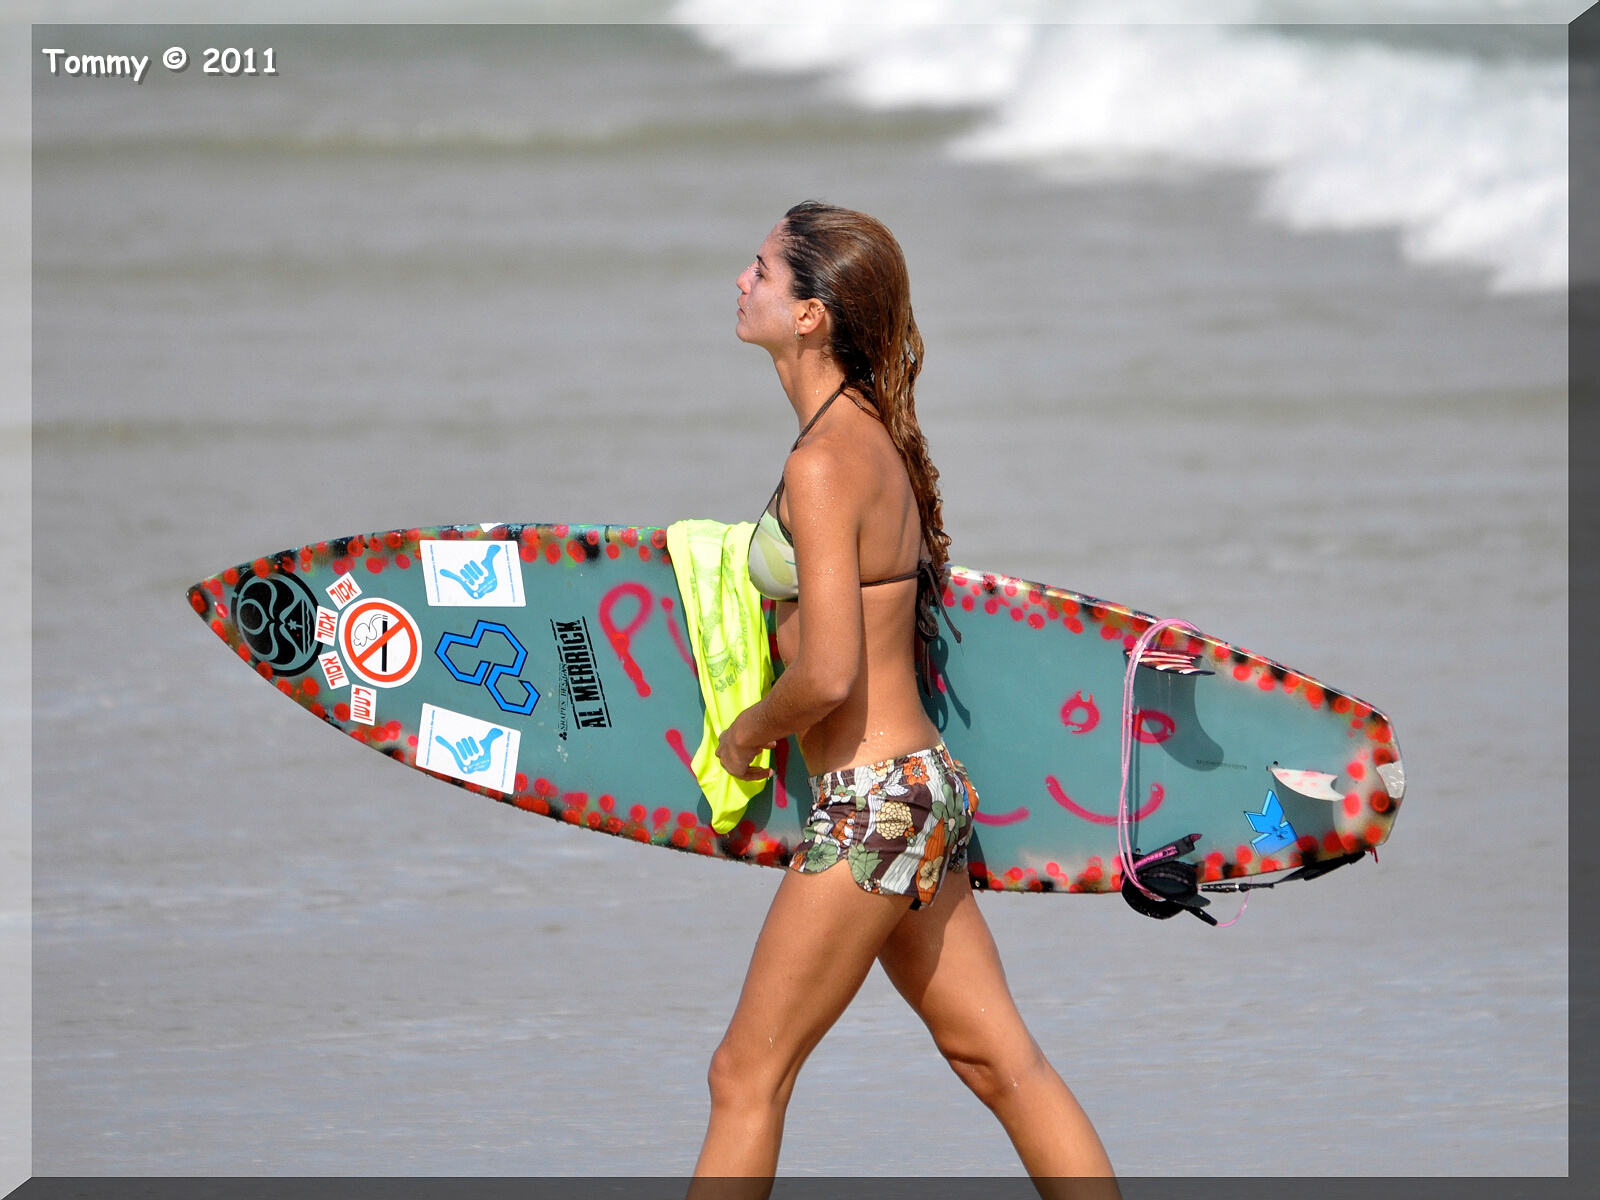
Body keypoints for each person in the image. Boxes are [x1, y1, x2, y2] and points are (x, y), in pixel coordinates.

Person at [689, 201, 1117, 1193]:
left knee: (745, 1075)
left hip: (871, 806)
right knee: (1001, 1064)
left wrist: (747, 734)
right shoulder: (863, 439)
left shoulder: (824, 462)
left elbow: (830, 671)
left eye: (760, 270)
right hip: (916, 792)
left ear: (811, 315)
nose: (739, 282)